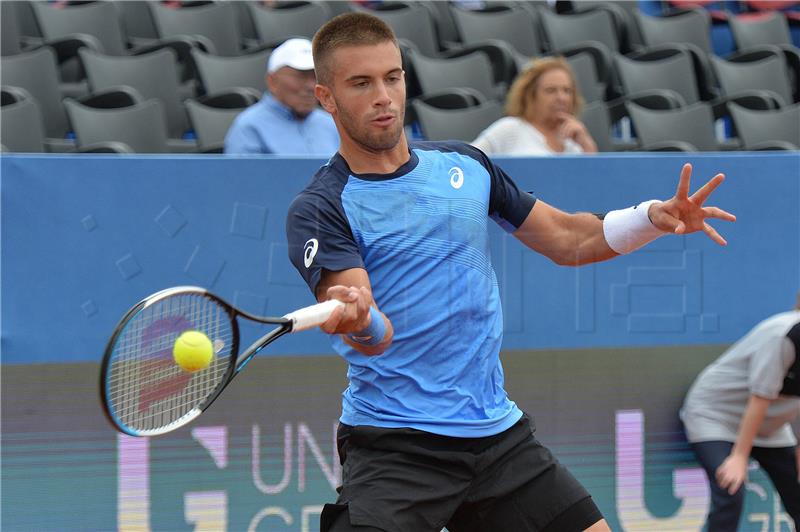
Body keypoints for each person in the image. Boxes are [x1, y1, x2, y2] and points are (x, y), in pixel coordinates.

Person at [285, 12, 735, 532]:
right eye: (360, 83)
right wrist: (360, 318)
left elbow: (569, 239)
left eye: (393, 76)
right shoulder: (321, 206)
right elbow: (375, 337)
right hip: (396, 446)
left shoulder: (466, 166)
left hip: (496, 437)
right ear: (326, 97)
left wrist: (651, 218)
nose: (383, 95)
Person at [680, 300, 800, 531]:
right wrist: (739, 457)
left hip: (771, 427)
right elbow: (759, 399)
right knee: (730, 487)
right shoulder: (784, 336)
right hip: (715, 415)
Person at [223, 38, 339, 155]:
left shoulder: (332, 125)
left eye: (316, 76)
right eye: (300, 76)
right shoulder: (249, 127)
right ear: (272, 81)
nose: (311, 86)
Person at [472, 57, 598, 155]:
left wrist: (587, 145)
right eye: (551, 90)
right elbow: (466, 160)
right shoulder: (510, 128)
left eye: (567, 90)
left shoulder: (574, 139)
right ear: (530, 95)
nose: (561, 98)